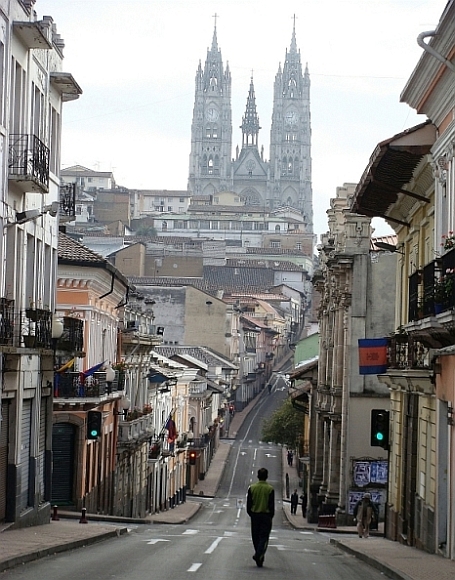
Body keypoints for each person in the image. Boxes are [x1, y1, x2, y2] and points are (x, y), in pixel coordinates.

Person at [247, 467, 275, 567]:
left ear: (258, 476)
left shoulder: (252, 488)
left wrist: (251, 513)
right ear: (266, 477)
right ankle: (259, 554)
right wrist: (270, 516)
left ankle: (259, 555)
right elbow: (271, 505)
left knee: (255, 536)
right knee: (264, 537)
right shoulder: (270, 489)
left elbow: (249, 504)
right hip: (266, 516)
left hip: (255, 515)